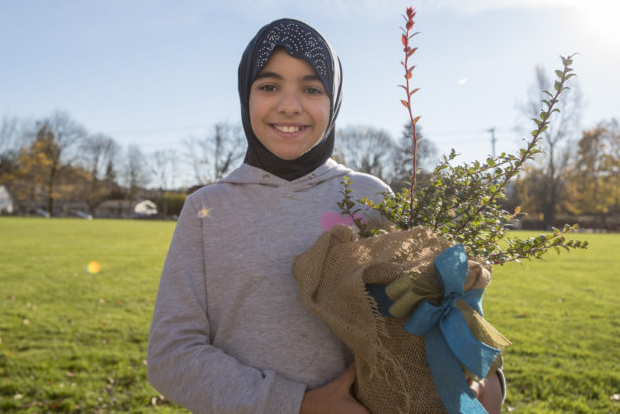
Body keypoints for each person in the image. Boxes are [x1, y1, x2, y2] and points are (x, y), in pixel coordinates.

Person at [147, 18, 503, 414]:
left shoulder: (370, 198)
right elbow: (172, 355)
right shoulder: (205, 210)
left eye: (312, 88)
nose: (289, 104)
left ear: (334, 101)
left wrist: (480, 376)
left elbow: (424, 319)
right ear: (244, 95)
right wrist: (300, 404)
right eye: (268, 86)